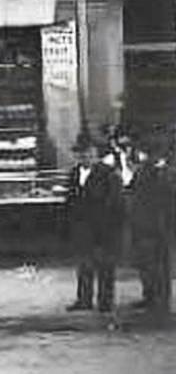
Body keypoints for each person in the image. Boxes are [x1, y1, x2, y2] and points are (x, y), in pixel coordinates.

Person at [65, 131, 123, 313]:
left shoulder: (108, 173)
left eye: (89, 153)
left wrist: (111, 225)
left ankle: (105, 301)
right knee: (84, 264)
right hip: (82, 227)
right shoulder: (74, 173)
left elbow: (115, 201)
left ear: (96, 154)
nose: (85, 157)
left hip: (103, 227)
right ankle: (84, 299)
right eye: (81, 153)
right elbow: (71, 200)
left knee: (105, 265)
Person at [129, 127, 176, 315]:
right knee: (146, 263)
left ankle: (160, 301)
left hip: (157, 226)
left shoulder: (163, 174)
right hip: (144, 224)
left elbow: (168, 201)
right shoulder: (145, 172)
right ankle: (151, 296)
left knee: (158, 264)